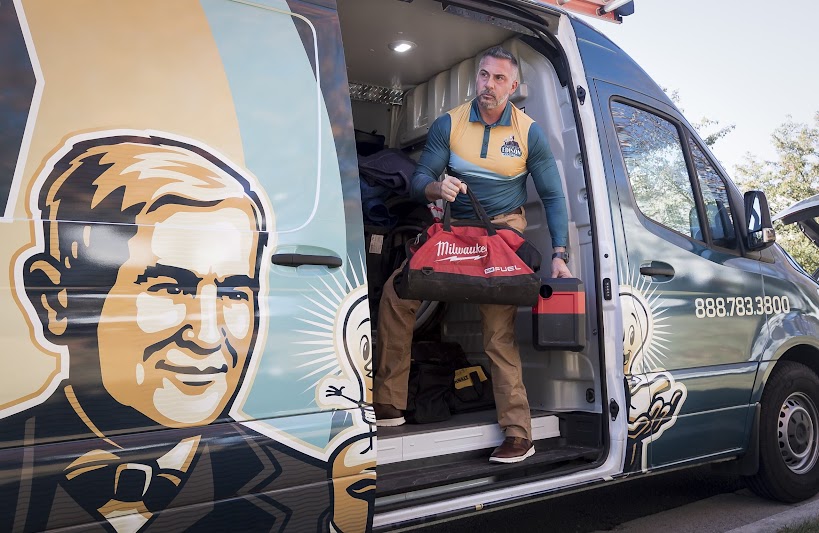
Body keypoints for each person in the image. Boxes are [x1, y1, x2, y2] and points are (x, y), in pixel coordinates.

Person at [0, 135, 332, 531]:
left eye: (233, 292)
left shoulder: (307, 482)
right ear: (56, 300)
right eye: (170, 288)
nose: (208, 335)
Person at [373, 46, 573, 464]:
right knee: (396, 293)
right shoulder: (449, 124)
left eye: (499, 79)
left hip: (501, 231)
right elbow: (421, 178)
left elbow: (553, 196)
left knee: (497, 331)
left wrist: (559, 252)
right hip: (453, 230)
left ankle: (519, 433)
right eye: (484, 76)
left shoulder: (529, 131)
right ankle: (389, 404)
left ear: (513, 87)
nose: (489, 85)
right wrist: (434, 188)